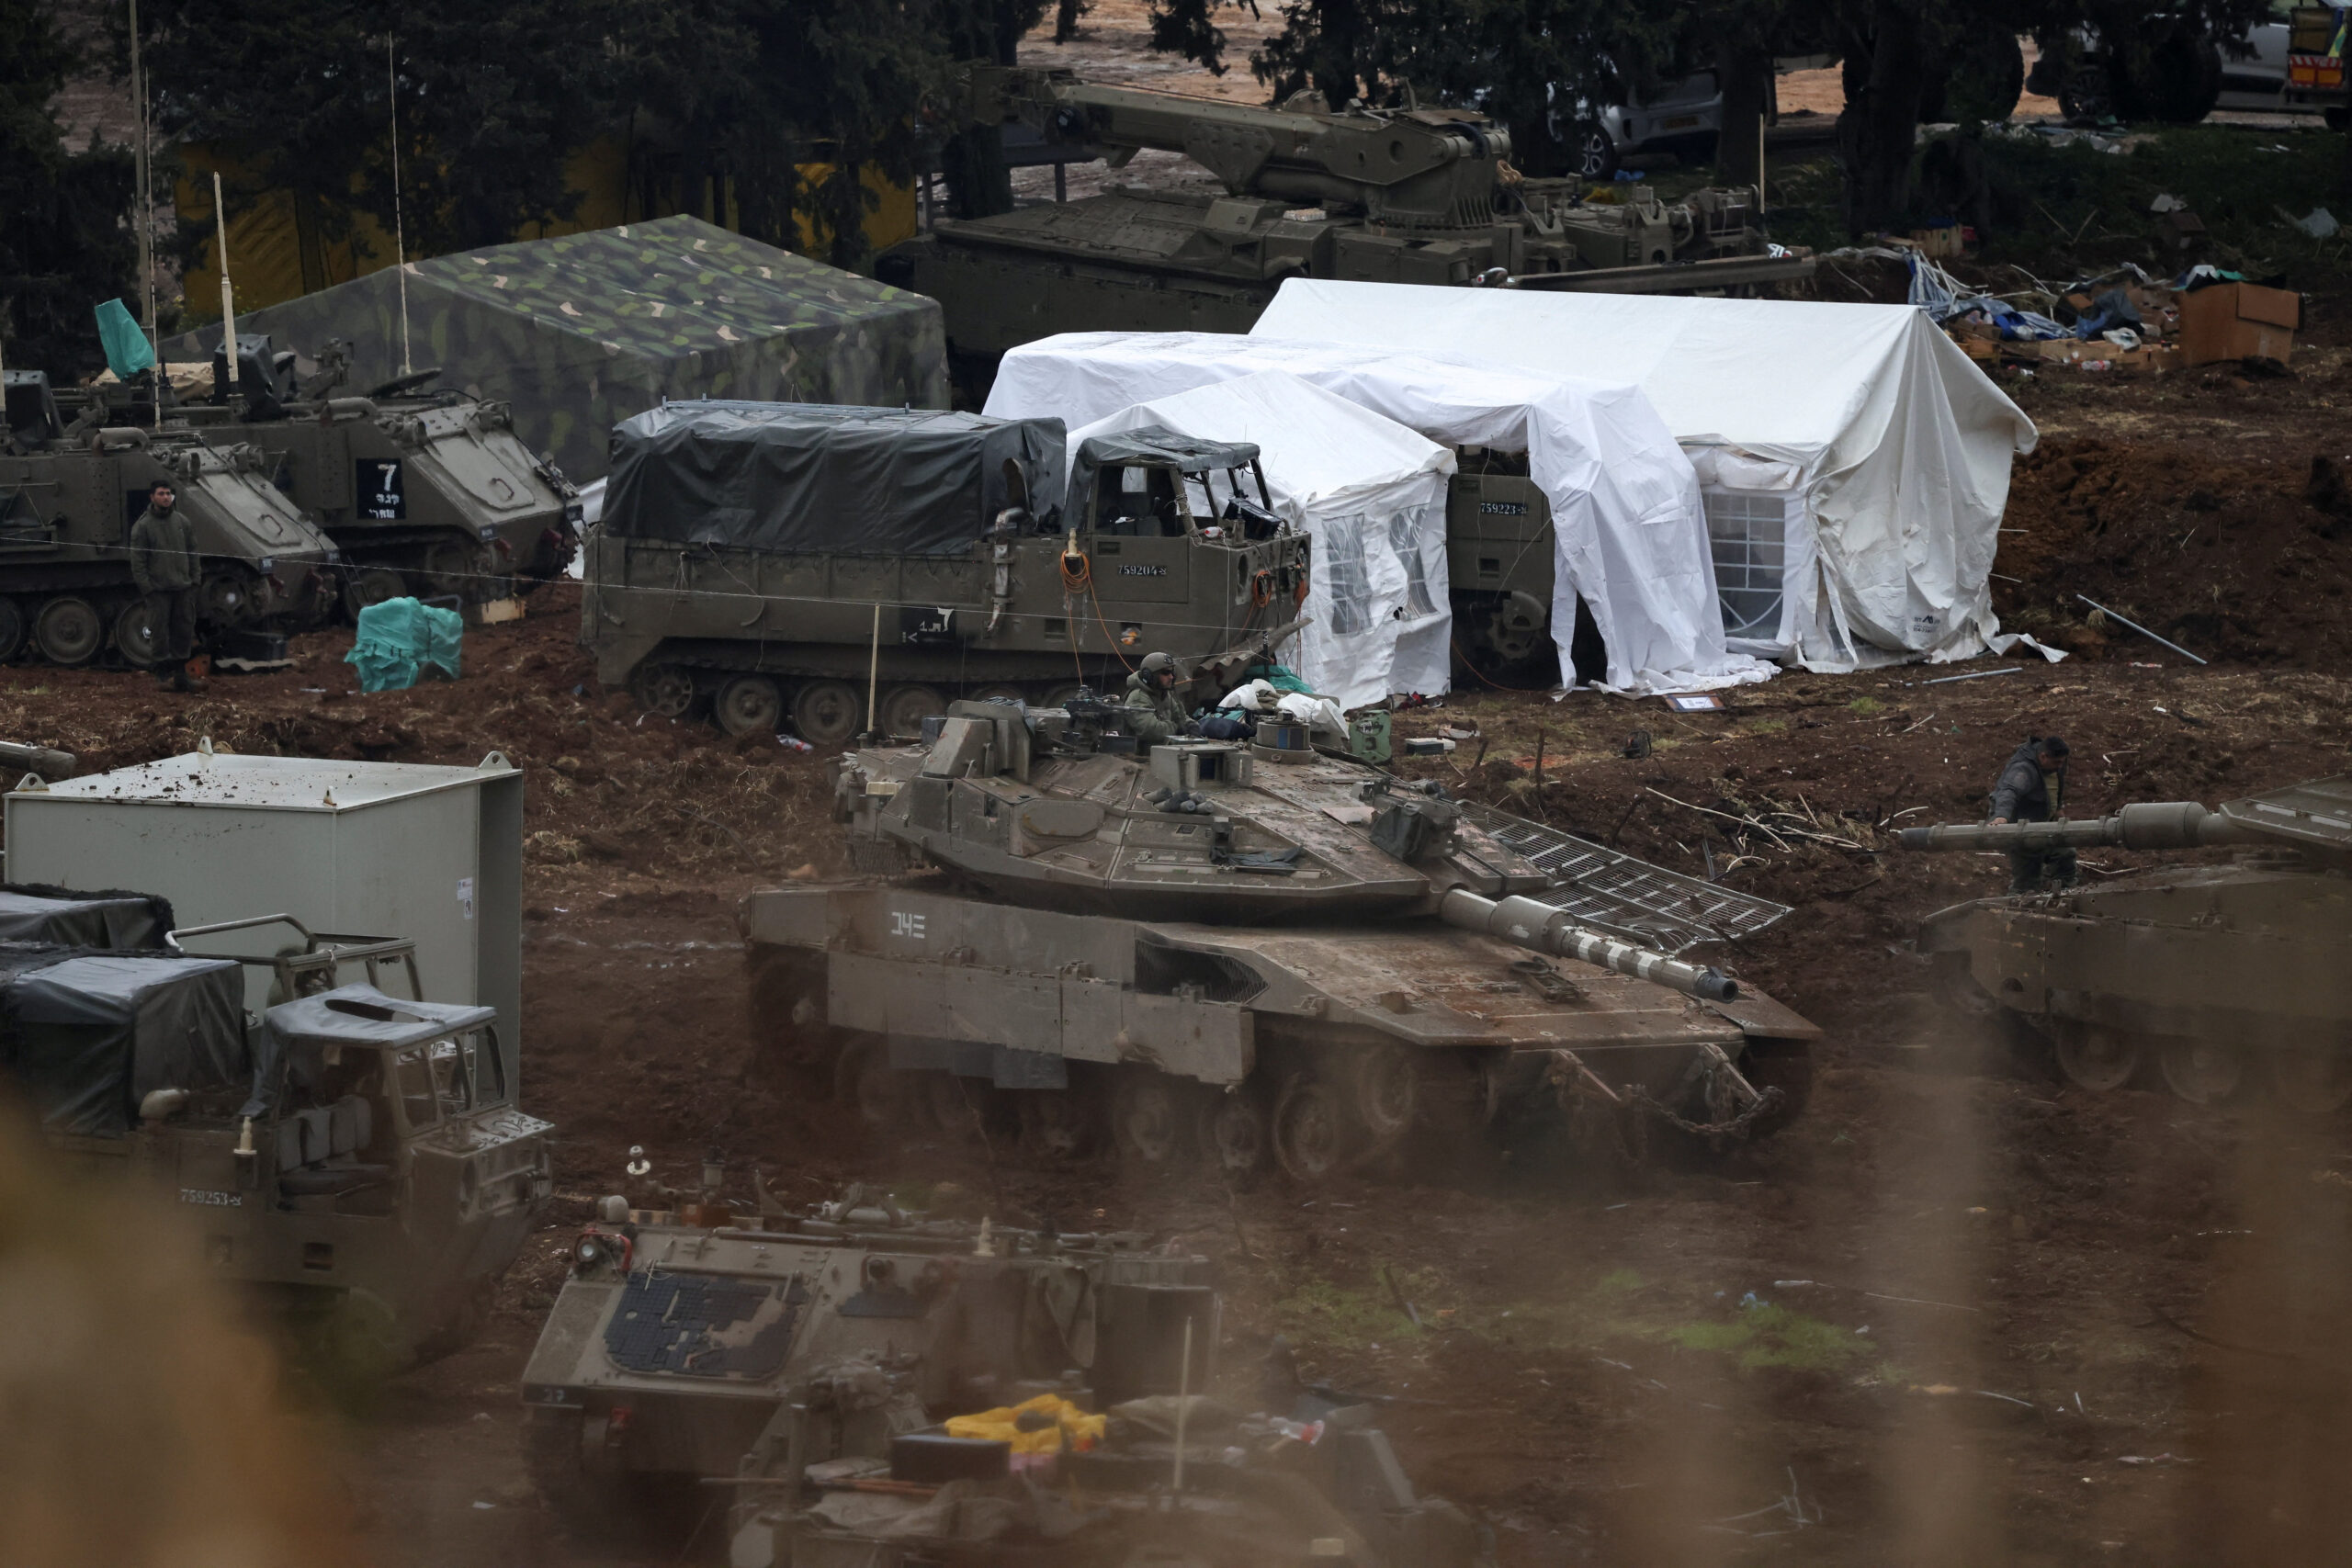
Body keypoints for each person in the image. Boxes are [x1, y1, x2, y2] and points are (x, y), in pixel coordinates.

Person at [128, 479, 202, 691]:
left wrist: (195, 580)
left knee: (183, 633)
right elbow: (138, 562)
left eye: (169, 493)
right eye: (161, 493)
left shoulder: (182, 522)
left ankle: (181, 677)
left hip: (182, 588)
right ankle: (162, 678)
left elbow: (193, 552)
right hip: (158, 590)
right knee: (159, 634)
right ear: (152, 497)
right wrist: (147, 588)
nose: (166, 497)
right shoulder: (142, 527)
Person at [1989, 734, 2073, 894]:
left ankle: (2066, 895)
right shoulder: (2023, 769)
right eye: (2057, 763)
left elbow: (2055, 785)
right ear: (2043, 756)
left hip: (2041, 820)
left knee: (2065, 853)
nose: (2060, 767)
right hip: (2018, 825)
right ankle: (2017, 909)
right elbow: (2009, 792)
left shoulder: (2056, 762)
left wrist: (2058, 809)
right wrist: (2001, 817)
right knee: (2028, 876)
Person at [1123, 650, 1193, 744]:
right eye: (1166, 673)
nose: (1171, 677)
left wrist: (1190, 724)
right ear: (1149, 676)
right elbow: (1152, 731)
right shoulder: (1138, 697)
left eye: (1172, 672)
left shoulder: (1165, 694)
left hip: (1162, 752)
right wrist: (1178, 727)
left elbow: (1180, 716)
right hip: (1140, 756)